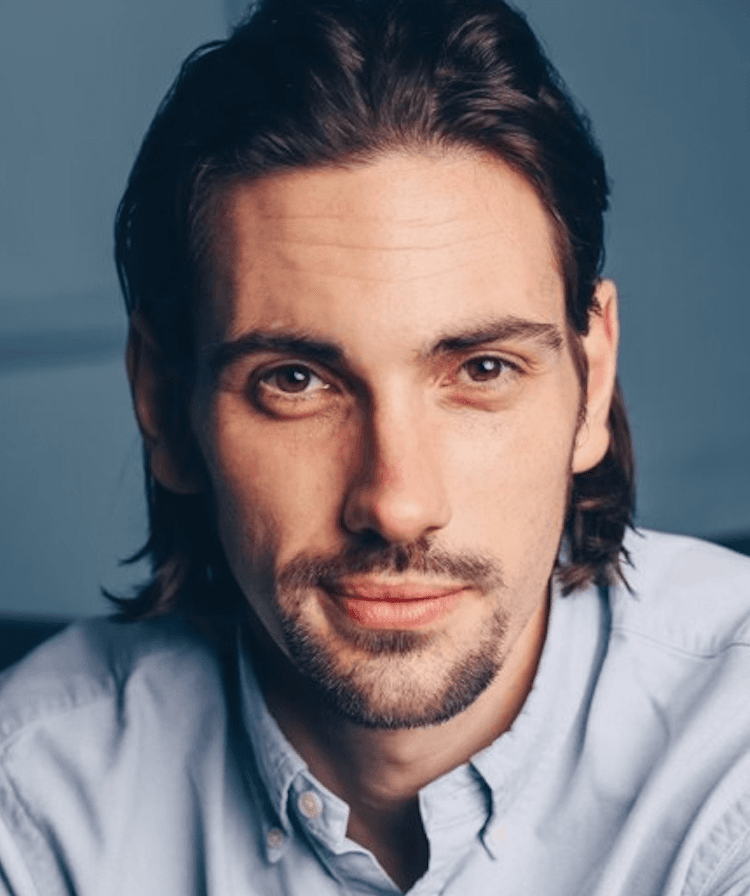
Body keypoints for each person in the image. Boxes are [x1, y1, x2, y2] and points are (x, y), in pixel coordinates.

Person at [1, 0, 748, 893]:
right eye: (296, 381)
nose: (396, 503)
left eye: (482, 369)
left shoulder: (729, 760)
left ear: (591, 384)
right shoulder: (35, 809)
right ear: (164, 403)